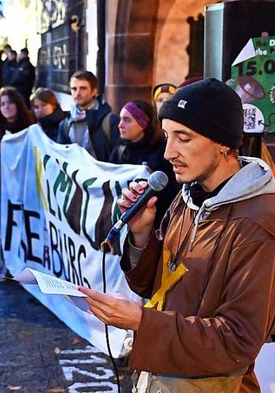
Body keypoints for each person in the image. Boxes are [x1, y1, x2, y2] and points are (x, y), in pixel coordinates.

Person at [79, 78, 275, 392]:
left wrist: (143, 323)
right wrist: (141, 235)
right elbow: (155, 285)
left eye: (183, 138)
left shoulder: (258, 224)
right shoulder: (189, 197)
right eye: (168, 135)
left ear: (223, 143)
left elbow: (238, 342)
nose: (169, 152)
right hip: (162, 376)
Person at [0, 87, 35, 282]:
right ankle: (8, 266)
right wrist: (4, 144)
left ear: (18, 104)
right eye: (2, 104)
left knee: (27, 227)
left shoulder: (31, 128)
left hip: (27, 188)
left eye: (9, 103)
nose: (6, 107)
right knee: (7, 227)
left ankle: (28, 268)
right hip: (3, 189)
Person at [109, 100, 178, 228]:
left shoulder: (162, 153)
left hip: (155, 226)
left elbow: (174, 194)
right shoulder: (120, 150)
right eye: (120, 119)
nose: (120, 125)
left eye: (127, 120)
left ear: (143, 124)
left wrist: (153, 187)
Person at [56, 70, 119, 162]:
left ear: (94, 91)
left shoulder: (110, 121)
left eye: (83, 88)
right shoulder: (65, 124)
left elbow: (117, 157)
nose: (78, 93)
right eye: (74, 89)